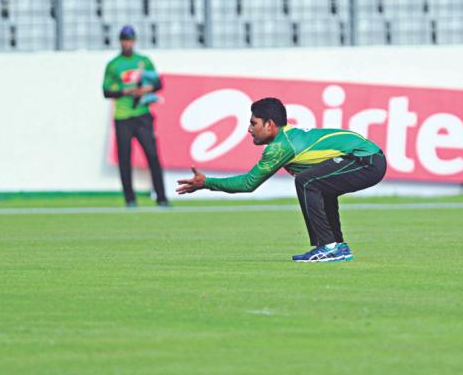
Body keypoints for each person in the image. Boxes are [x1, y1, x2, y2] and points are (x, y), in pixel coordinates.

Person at [176, 97, 387, 262]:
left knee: (307, 181)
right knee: (318, 184)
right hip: (368, 157)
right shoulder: (288, 136)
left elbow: (248, 184)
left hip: (366, 161)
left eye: (253, 123)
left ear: (269, 125)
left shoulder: (281, 146)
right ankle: (336, 246)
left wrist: (207, 183)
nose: (249, 129)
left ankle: (329, 247)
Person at [102, 25, 169, 207]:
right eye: (124, 39)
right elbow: (106, 91)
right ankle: (130, 199)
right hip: (123, 116)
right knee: (125, 159)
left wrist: (147, 89)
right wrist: (126, 91)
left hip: (142, 114)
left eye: (130, 40)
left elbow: (158, 83)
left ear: (134, 41)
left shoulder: (144, 61)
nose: (127, 43)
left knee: (152, 156)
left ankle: (161, 197)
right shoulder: (113, 65)